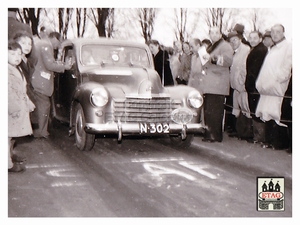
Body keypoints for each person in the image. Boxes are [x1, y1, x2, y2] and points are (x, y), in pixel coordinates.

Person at [255, 24, 292, 150]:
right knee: (267, 113)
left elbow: (287, 67)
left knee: (277, 114)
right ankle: (270, 141)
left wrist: (277, 79)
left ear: (283, 33)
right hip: (267, 87)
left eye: (278, 32)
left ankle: (279, 143)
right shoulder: (273, 48)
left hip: (277, 87)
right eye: (273, 32)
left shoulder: (288, 46)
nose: (275, 34)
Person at [31, 31, 72, 138]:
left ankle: (41, 130)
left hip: (37, 79)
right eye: (59, 42)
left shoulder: (40, 44)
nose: (58, 45)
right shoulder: (46, 45)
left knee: (42, 105)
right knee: (44, 105)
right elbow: (49, 65)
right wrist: (65, 67)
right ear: (54, 38)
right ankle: (42, 131)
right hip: (41, 82)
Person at [200, 26, 234, 142]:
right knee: (209, 111)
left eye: (216, 33)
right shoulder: (211, 46)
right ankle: (209, 134)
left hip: (218, 84)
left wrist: (212, 58)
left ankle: (214, 135)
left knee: (215, 111)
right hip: (210, 84)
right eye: (211, 33)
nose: (213, 35)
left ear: (220, 34)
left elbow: (228, 61)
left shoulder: (225, 45)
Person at [8, 41, 35, 172]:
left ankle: (8, 161)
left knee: (9, 137)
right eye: (12, 54)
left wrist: (28, 103)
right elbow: (7, 92)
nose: (17, 57)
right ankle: (7, 165)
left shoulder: (15, 68)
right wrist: (13, 108)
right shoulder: (7, 70)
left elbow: (20, 90)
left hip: (15, 108)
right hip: (10, 110)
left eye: (19, 54)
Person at [245, 31, 268, 143]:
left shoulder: (260, 51)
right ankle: (257, 136)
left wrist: (250, 85)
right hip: (254, 85)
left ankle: (259, 137)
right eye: (250, 38)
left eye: (255, 38)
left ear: (260, 38)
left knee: (256, 110)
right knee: (254, 110)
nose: (252, 40)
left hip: (255, 86)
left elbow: (254, 71)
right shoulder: (257, 49)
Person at [228, 31, 251, 140]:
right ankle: (240, 131)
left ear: (240, 39)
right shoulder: (234, 52)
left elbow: (244, 68)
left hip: (241, 85)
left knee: (245, 108)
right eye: (231, 41)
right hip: (235, 85)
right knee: (237, 108)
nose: (233, 43)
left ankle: (247, 133)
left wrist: (242, 82)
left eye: (235, 40)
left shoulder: (245, 50)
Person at [13, 32, 38, 125]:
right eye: (23, 43)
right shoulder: (15, 61)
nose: (27, 46)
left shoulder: (26, 60)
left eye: (30, 44)